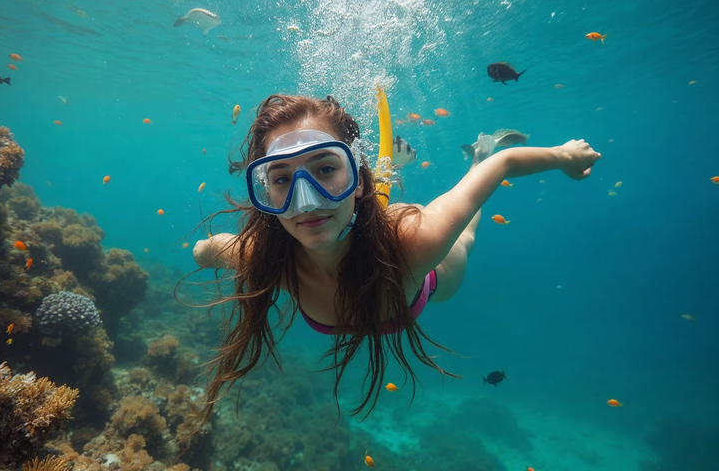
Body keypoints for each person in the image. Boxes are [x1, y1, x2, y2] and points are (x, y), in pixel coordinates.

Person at [191, 94, 601, 421]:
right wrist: (207, 251)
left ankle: (473, 152)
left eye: (325, 170)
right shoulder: (269, 261)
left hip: (429, 280)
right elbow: (213, 248)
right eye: (281, 179)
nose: (308, 201)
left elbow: (504, 162)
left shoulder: (415, 242)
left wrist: (566, 156)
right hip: (377, 244)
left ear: (356, 179)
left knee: (466, 232)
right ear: (264, 192)